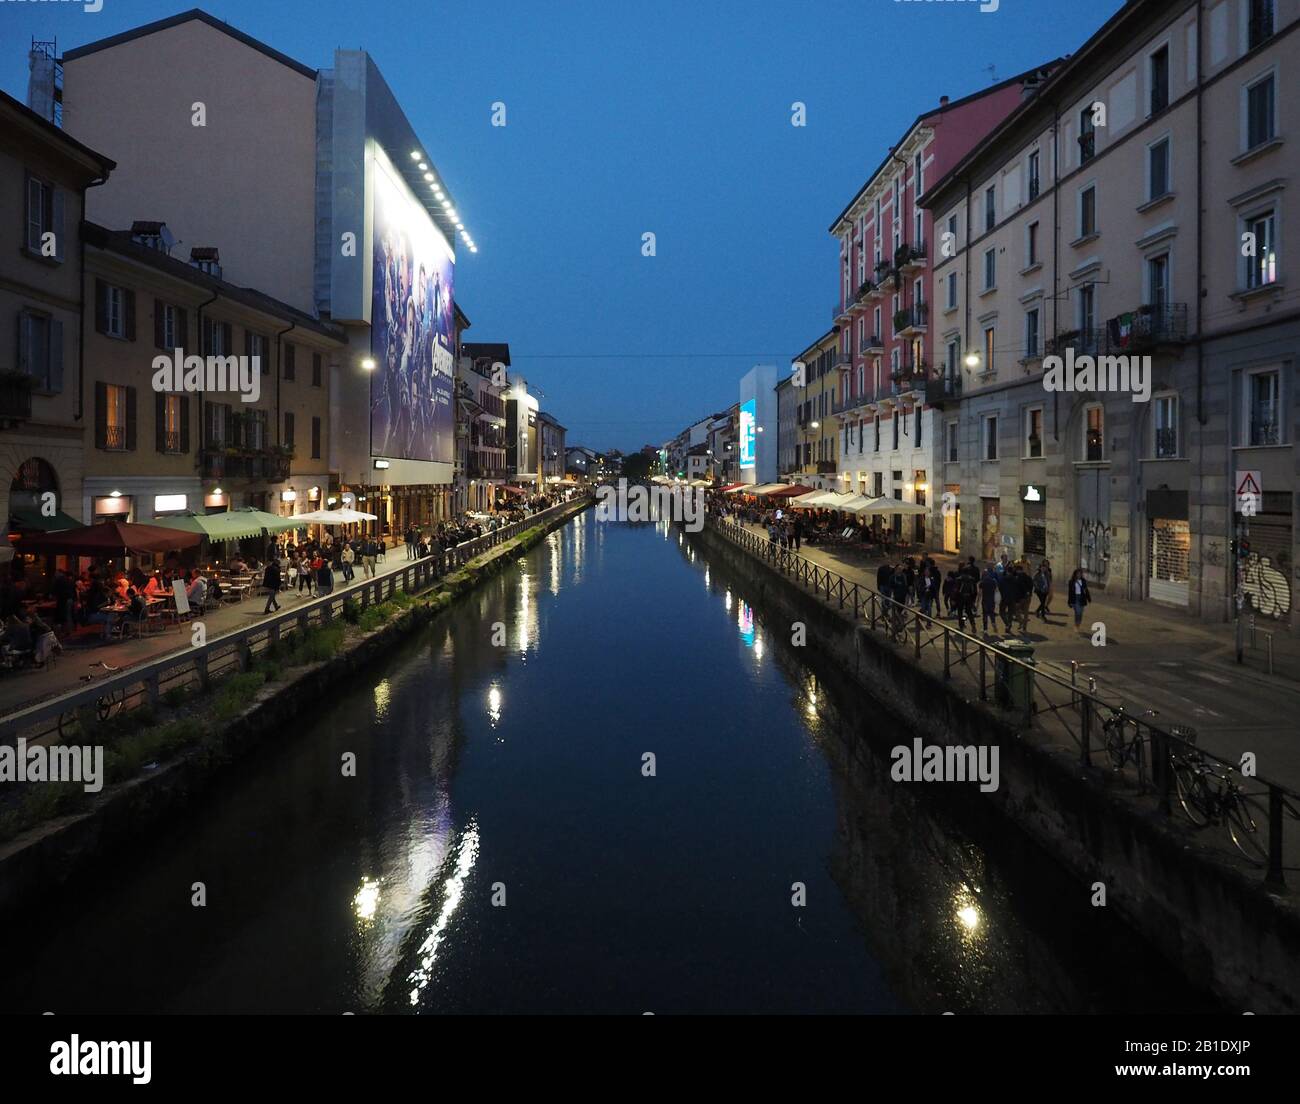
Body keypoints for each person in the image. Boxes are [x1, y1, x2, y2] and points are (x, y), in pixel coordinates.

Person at [979, 566, 1000, 634]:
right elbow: (997, 590)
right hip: (991, 600)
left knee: (985, 614)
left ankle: (985, 629)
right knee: (991, 613)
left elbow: (980, 593)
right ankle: (993, 623)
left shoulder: (982, 583)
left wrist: (977, 602)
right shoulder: (993, 581)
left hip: (985, 600)